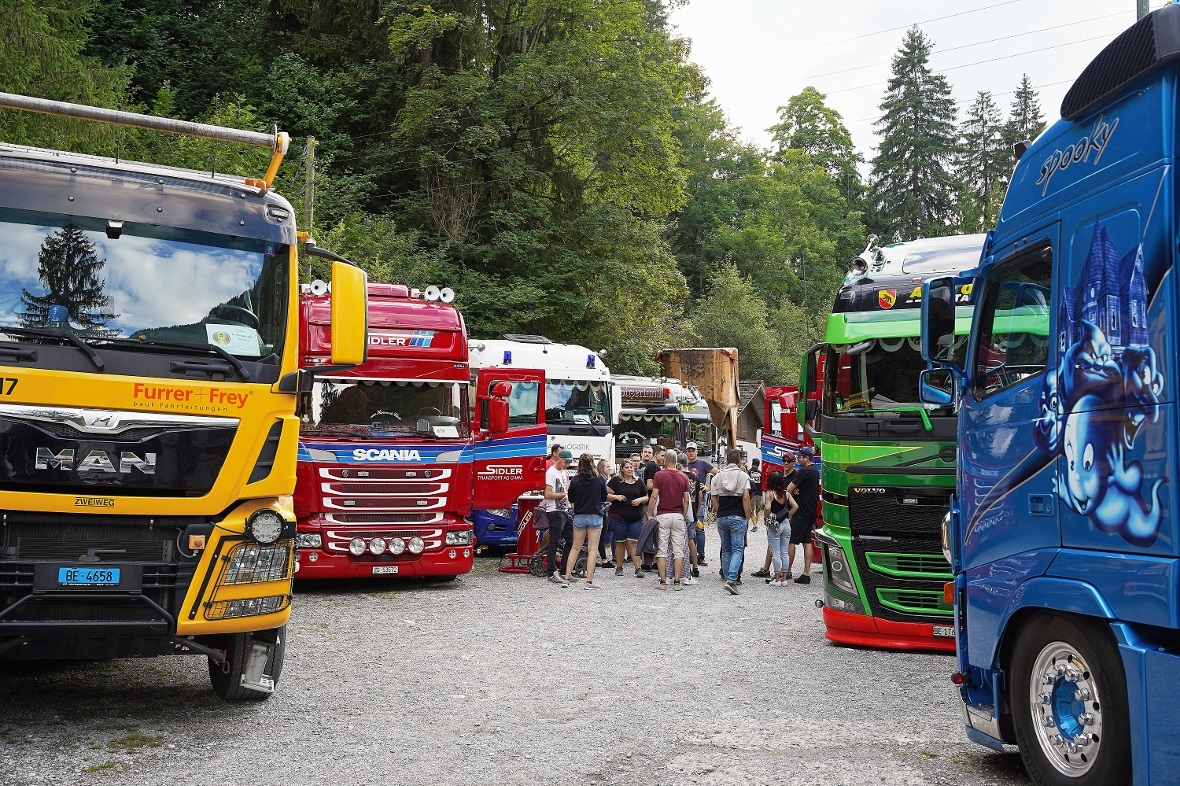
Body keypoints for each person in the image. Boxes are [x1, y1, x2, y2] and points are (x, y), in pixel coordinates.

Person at [709, 448, 753, 595]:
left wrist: (719, 510)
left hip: (722, 515)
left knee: (726, 549)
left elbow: (713, 497)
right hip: (738, 515)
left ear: (726, 460)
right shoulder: (743, 476)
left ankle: (727, 576)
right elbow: (745, 497)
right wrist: (747, 515)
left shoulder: (717, 477)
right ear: (740, 461)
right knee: (737, 549)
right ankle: (732, 580)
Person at [646, 449, 692, 590]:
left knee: (662, 549)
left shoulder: (659, 475)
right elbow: (686, 500)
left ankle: (663, 582)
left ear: (665, 460)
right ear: (676, 461)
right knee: (678, 550)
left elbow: (654, 496)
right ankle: (677, 582)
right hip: (678, 515)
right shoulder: (683, 477)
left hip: (663, 515)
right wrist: (683, 515)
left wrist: (649, 513)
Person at [565, 453, 608, 588]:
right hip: (595, 516)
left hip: (579, 516)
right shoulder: (599, 478)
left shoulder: (576, 479)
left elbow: (571, 497)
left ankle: (567, 578)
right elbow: (604, 497)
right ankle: (589, 581)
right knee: (592, 549)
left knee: (575, 547)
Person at [606, 458, 649, 577]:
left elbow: (646, 497)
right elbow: (605, 495)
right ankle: (619, 567)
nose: (630, 469)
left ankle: (638, 568)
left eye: (631, 467)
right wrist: (616, 497)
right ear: (622, 469)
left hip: (636, 517)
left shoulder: (639, 482)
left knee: (633, 542)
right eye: (627, 467)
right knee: (621, 542)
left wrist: (640, 500)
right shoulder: (616, 481)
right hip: (618, 516)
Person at [785, 446, 820, 583]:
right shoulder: (815, 471)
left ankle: (787, 571)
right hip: (811, 511)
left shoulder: (804, 471)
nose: (798, 459)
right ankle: (806, 573)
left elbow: (788, 489)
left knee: (791, 540)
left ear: (807, 458)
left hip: (801, 512)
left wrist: (793, 490)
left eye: (799, 457)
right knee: (806, 541)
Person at [540, 449, 574, 584]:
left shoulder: (564, 472)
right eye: (565, 462)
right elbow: (547, 494)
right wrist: (562, 495)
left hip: (564, 510)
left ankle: (564, 570)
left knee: (571, 540)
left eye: (569, 463)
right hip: (554, 510)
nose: (567, 465)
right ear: (559, 458)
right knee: (554, 541)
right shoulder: (551, 472)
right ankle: (551, 571)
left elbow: (565, 489)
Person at [763, 471, 798, 586]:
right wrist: (788, 515)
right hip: (786, 524)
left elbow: (767, 508)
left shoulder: (770, 493)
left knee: (776, 552)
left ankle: (777, 579)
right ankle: (784, 579)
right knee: (784, 552)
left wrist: (766, 518)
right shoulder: (786, 494)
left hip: (775, 525)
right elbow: (795, 506)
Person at [683, 442, 714, 569]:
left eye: (693, 451)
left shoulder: (703, 464)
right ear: (686, 452)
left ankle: (701, 556)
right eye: (689, 451)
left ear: (696, 452)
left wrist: (709, 487)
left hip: (699, 500)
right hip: (685, 500)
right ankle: (690, 555)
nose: (691, 453)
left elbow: (719, 474)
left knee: (699, 528)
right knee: (686, 529)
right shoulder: (682, 465)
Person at [676, 451, 700, 585]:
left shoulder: (677, 476)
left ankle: (682, 568)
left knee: (679, 542)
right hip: (693, 511)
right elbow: (700, 495)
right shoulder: (694, 477)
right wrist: (697, 509)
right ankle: (695, 566)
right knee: (691, 540)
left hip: (680, 511)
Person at [595, 458, 615, 568]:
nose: (609, 468)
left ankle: (600, 558)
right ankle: (603, 559)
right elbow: (604, 496)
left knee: (600, 536)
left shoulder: (605, 479)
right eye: (607, 466)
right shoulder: (601, 479)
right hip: (601, 510)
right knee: (600, 535)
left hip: (602, 510)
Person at [748, 458, 763, 531]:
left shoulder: (749, 472)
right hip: (759, 492)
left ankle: (754, 525)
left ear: (752, 463)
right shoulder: (760, 473)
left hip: (750, 492)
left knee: (750, 508)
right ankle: (755, 524)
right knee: (756, 510)